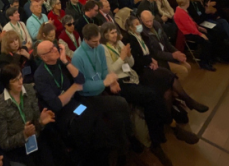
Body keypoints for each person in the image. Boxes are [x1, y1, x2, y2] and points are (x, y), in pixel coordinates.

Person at [99, 22, 177, 165]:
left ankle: (156, 140)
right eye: (111, 33)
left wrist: (127, 56)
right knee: (151, 95)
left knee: (153, 98)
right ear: (104, 35)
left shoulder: (120, 44)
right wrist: (122, 57)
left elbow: (131, 63)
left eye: (115, 32)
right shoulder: (103, 49)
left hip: (130, 76)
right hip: (119, 83)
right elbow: (110, 72)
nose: (115, 34)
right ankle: (169, 123)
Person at [70, 24, 143, 164]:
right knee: (120, 104)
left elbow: (104, 71)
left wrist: (111, 81)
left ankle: (124, 147)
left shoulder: (100, 48)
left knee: (119, 114)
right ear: (85, 39)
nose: (98, 44)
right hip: (88, 96)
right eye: (94, 42)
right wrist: (104, 83)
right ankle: (128, 140)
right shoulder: (78, 57)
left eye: (99, 40)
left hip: (101, 91)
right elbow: (82, 86)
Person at [0, 64, 58, 166]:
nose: (20, 82)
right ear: (6, 83)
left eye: (21, 77)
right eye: (15, 80)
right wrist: (24, 135)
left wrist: (41, 122)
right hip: (18, 149)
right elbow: (4, 143)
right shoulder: (0, 106)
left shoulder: (29, 90)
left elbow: (36, 122)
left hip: (36, 140)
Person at [140, 10, 191, 79]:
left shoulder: (157, 24)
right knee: (183, 71)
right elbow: (155, 53)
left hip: (166, 54)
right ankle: (174, 86)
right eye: (147, 21)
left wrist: (176, 51)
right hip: (159, 60)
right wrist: (173, 56)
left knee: (188, 66)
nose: (150, 23)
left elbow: (166, 42)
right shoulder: (142, 33)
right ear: (142, 20)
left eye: (151, 20)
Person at [174, 0, 217, 71]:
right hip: (187, 34)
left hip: (192, 31)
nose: (189, 3)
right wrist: (200, 34)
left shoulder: (183, 10)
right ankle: (204, 63)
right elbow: (189, 27)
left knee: (210, 36)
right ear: (185, 3)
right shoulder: (180, 13)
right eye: (188, 1)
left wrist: (199, 27)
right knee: (206, 42)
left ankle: (209, 58)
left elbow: (191, 23)